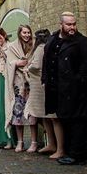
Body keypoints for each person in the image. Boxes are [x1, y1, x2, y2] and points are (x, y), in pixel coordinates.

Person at [43, 12, 87, 165]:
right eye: (68, 24)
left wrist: (78, 80)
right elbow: (47, 60)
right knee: (64, 119)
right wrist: (46, 79)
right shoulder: (54, 40)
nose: (72, 27)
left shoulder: (81, 41)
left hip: (76, 90)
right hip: (58, 89)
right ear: (61, 25)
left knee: (77, 121)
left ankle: (76, 154)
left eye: (74, 24)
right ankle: (66, 151)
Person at [25, 28, 64, 159]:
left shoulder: (41, 48)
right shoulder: (44, 47)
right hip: (39, 85)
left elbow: (36, 65)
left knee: (50, 116)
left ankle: (58, 146)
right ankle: (52, 144)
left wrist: (27, 68)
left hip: (40, 86)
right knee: (44, 115)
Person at [5, 24, 36, 153]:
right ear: (19, 33)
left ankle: (34, 142)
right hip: (19, 84)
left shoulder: (34, 46)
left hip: (31, 83)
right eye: (24, 32)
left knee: (32, 113)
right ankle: (20, 142)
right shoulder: (12, 47)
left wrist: (28, 65)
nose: (27, 35)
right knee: (18, 114)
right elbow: (9, 64)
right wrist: (17, 63)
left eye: (28, 32)